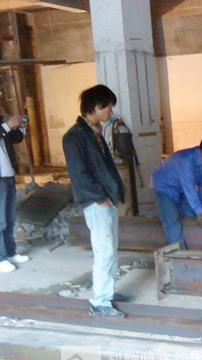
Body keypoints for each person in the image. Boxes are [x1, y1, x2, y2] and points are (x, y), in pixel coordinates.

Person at [63, 84, 129, 319]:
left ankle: (108, 291)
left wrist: (113, 193)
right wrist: (99, 197)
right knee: (104, 251)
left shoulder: (95, 131)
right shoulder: (74, 137)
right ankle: (100, 302)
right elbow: (78, 174)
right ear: (96, 106)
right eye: (108, 107)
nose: (111, 112)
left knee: (111, 248)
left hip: (106, 199)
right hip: (95, 201)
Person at [152, 135, 202, 248]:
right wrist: (200, 212)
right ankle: (179, 252)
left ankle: (193, 245)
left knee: (191, 214)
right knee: (172, 221)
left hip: (180, 188)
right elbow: (189, 188)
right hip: (165, 187)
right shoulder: (185, 160)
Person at [0, 113, 30, 273]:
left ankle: (10, 252)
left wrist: (21, 125)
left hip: (7, 175)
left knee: (9, 218)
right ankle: (0, 258)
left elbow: (16, 138)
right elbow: (4, 130)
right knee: (0, 220)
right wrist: (7, 126)